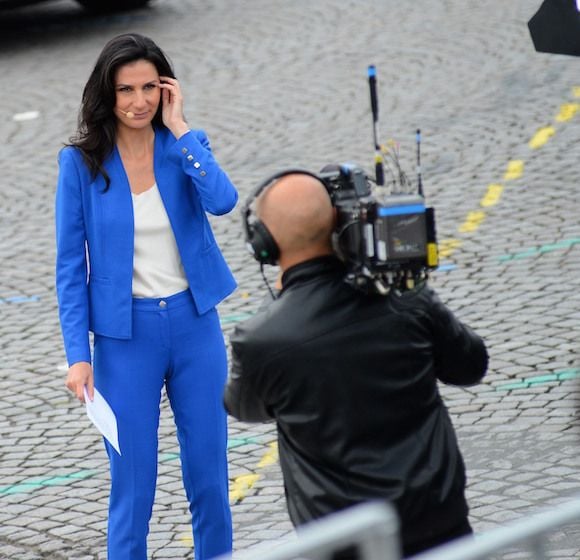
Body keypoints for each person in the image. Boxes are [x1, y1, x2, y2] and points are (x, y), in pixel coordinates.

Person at [224, 172, 489, 558]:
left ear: (264, 244)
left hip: (345, 539)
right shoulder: (404, 298)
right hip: (438, 520)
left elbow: (242, 406)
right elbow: (471, 365)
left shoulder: (261, 338)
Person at [55, 33, 236, 560]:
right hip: (123, 340)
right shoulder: (80, 164)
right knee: (132, 488)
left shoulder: (184, 146)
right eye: (126, 90)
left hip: (195, 327)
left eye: (150, 87)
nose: (139, 101)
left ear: (166, 88)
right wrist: (78, 355)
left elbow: (224, 201)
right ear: (106, 95)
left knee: (209, 475)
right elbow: (69, 267)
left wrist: (180, 130)